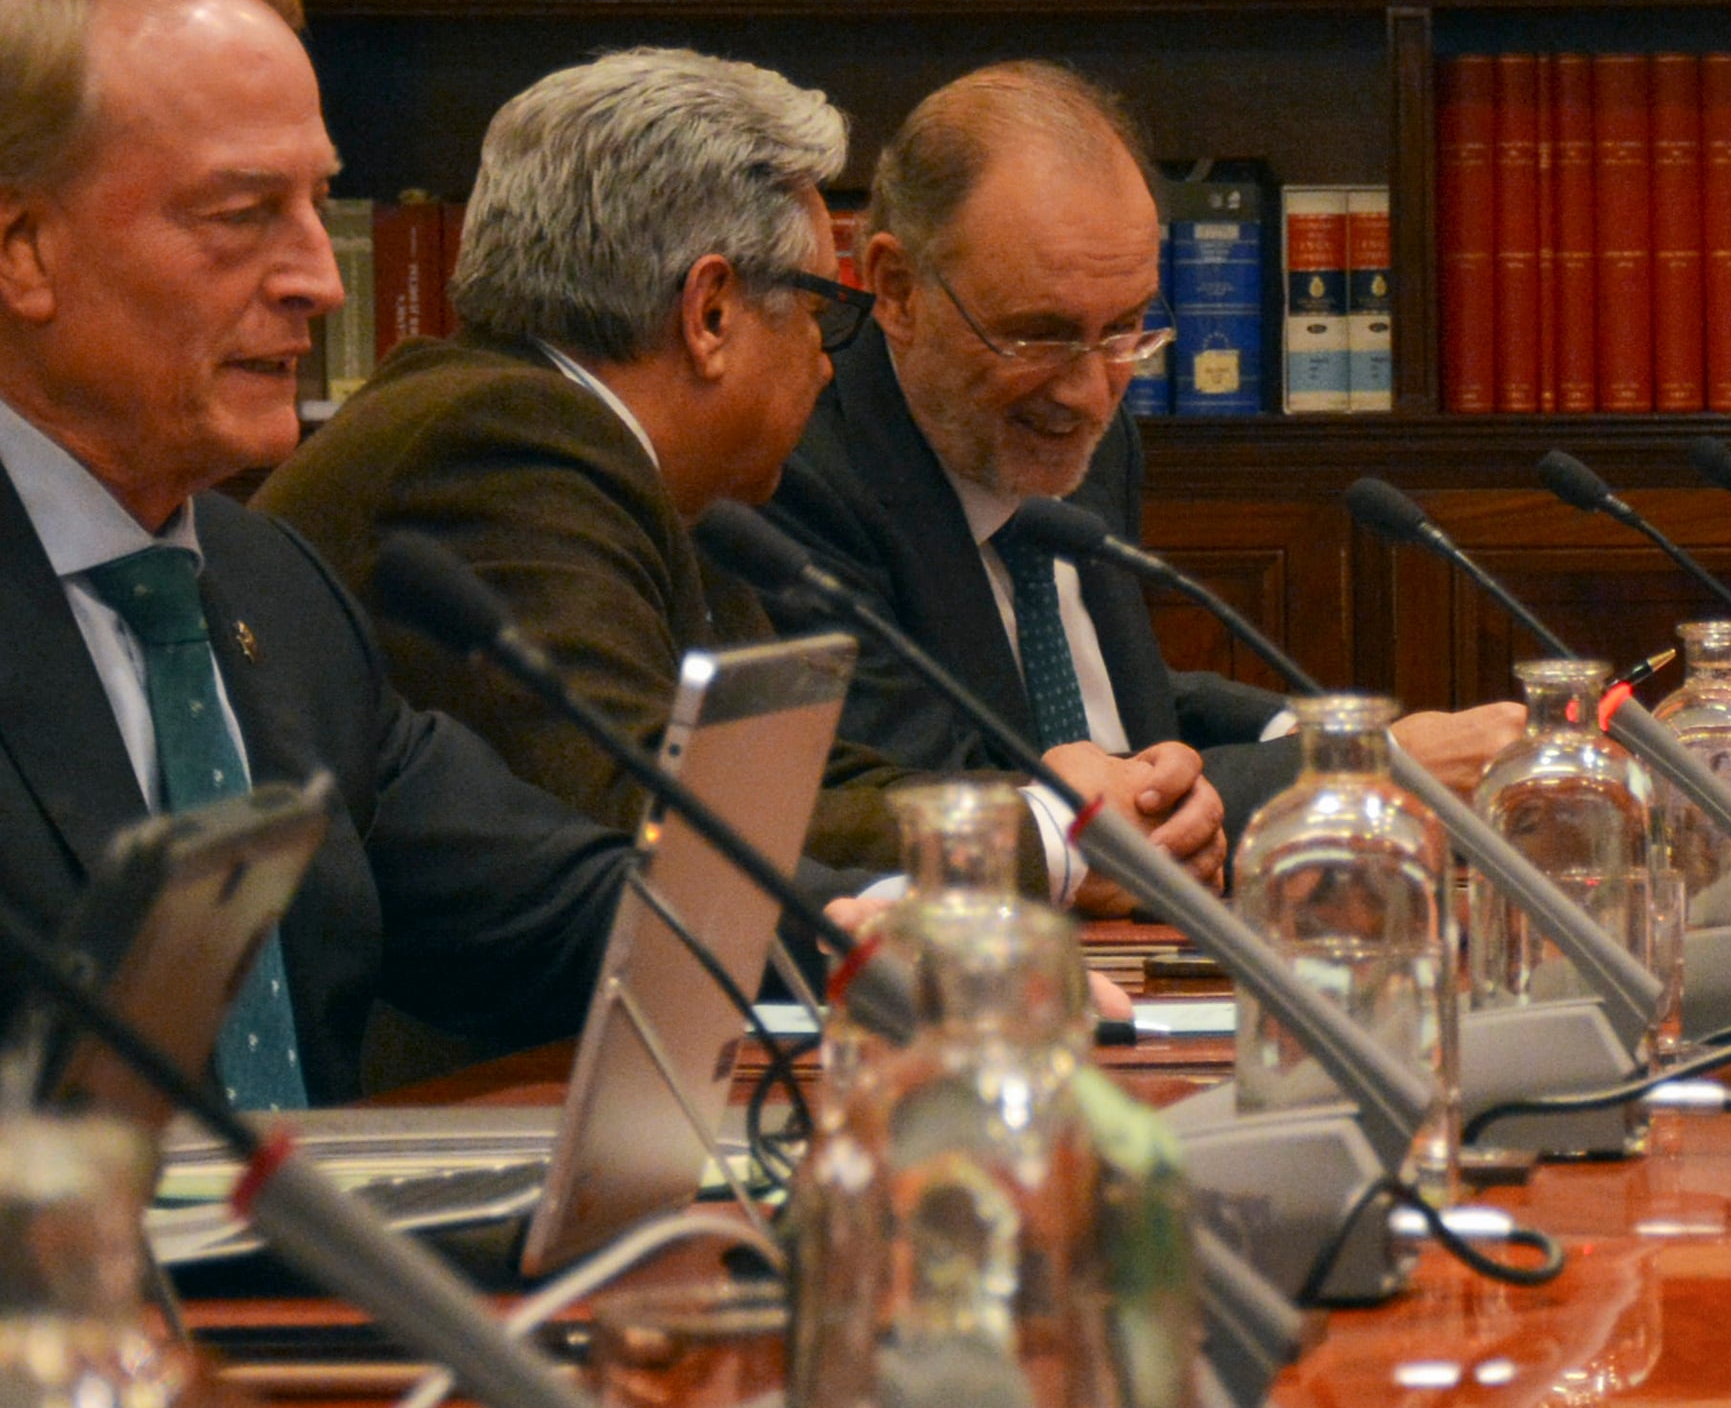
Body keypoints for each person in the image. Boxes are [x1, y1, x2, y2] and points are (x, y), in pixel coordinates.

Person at [265, 49, 1174, 883]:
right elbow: (642, 814)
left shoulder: (645, 472)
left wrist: (1044, 814)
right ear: (710, 315)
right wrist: (1050, 839)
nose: (829, 359)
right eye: (819, 307)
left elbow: (789, 769)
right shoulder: (497, 445)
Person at [0, 0, 630, 1101]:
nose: (321, 279)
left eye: (317, 204)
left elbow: (559, 910)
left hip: (319, 1281)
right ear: (23, 247)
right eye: (242, 216)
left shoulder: (268, 588)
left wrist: (891, 929)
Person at [769, 62, 1515, 866]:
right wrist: (1359, 772)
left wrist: (1320, 733)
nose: (1091, 393)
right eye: (1040, 333)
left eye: (1127, 327)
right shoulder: (795, 465)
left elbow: (1113, 720)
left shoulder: (1081, 429)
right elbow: (958, 799)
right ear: (897, 288)